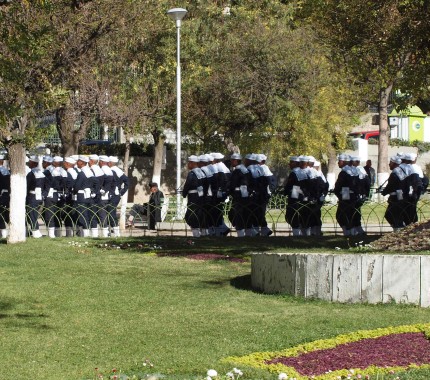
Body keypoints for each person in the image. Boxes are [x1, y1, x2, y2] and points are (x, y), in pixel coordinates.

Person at [333, 154, 359, 236]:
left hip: (345, 194)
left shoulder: (344, 172)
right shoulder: (354, 171)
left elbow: (339, 185)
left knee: (341, 215)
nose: (338, 163)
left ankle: (348, 232)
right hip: (354, 195)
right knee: (351, 214)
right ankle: (352, 232)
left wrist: (336, 192)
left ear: (343, 162)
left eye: (339, 161)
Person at [381, 156, 409, 231]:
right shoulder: (402, 171)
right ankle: (400, 228)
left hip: (395, 197)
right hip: (401, 196)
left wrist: (384, 192)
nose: (389, 164)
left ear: (394, 163)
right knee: (396, 215)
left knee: (391, 215)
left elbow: (391, 185)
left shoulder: (395, 173)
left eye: (390, 163)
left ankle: (398, 230)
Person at [182, 155, 206, 237]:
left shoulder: (192, 174)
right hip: (201, 197)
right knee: (200, 215)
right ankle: (203, 233)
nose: (188, 165)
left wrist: (184, 193)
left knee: (191, 216)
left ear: (192, 163)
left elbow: (187, 185)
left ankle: (196, 234)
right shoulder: (202, 172)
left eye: (189, 163)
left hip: (193, 198)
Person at [26, 156, 47, 238]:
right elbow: (47, 186)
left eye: (30, 162)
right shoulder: (42, 173)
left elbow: (27, 186)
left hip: (32, 196)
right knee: (34, 214)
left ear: (34, 163)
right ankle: (35, 231)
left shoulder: (31, 174)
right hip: (39, 197)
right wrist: (43, 194)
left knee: (32, 214)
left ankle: (36, 232)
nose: (29, 163)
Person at [108, 156, 129, 237]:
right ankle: (111, 230)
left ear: (110, 163)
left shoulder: (114, 171)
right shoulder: (119, 171)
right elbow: (127, 182)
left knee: (111, 212)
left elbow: (127, 182)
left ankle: (116, 232)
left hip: (113, 195)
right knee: (110, 212)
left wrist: (121, 192)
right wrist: (122, 192)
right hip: (116, 195)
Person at [0, 154, 10, 239]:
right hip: (7, 195)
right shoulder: (6, 171)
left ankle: (3, 233)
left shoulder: (2, 171)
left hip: (1, 195)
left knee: (1, 215)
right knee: (5, 214)